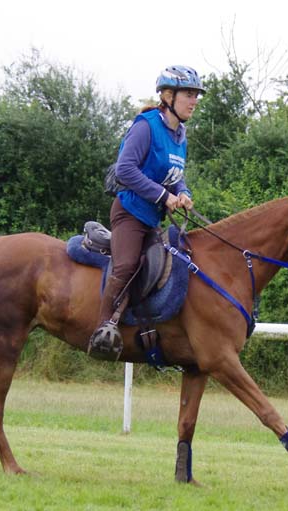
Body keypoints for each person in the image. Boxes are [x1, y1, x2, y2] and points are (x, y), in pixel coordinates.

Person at [88, 65, 204, 358]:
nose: (194, 101)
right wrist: (164, 196)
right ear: (167, 96)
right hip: (129, 213)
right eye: (188, 94)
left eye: (196, 95)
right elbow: (125, 170)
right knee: (127, 265)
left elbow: (175, 176)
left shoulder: (180, 135)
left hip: (152, 218)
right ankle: (103, 330)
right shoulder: (146, 126)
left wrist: (183, 193)